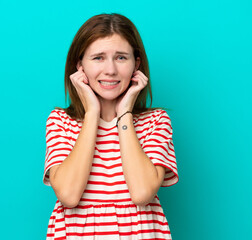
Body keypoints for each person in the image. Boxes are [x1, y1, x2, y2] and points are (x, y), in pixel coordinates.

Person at [43, 13, 178, 240]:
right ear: (79, 66)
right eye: (98, 58)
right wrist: (92, 113)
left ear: (136, 64)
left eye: (121, 58)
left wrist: (124, 113)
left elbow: (142, 193)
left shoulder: (156, 122)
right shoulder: (60, 122)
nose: (111, 70)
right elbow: (68, 194)